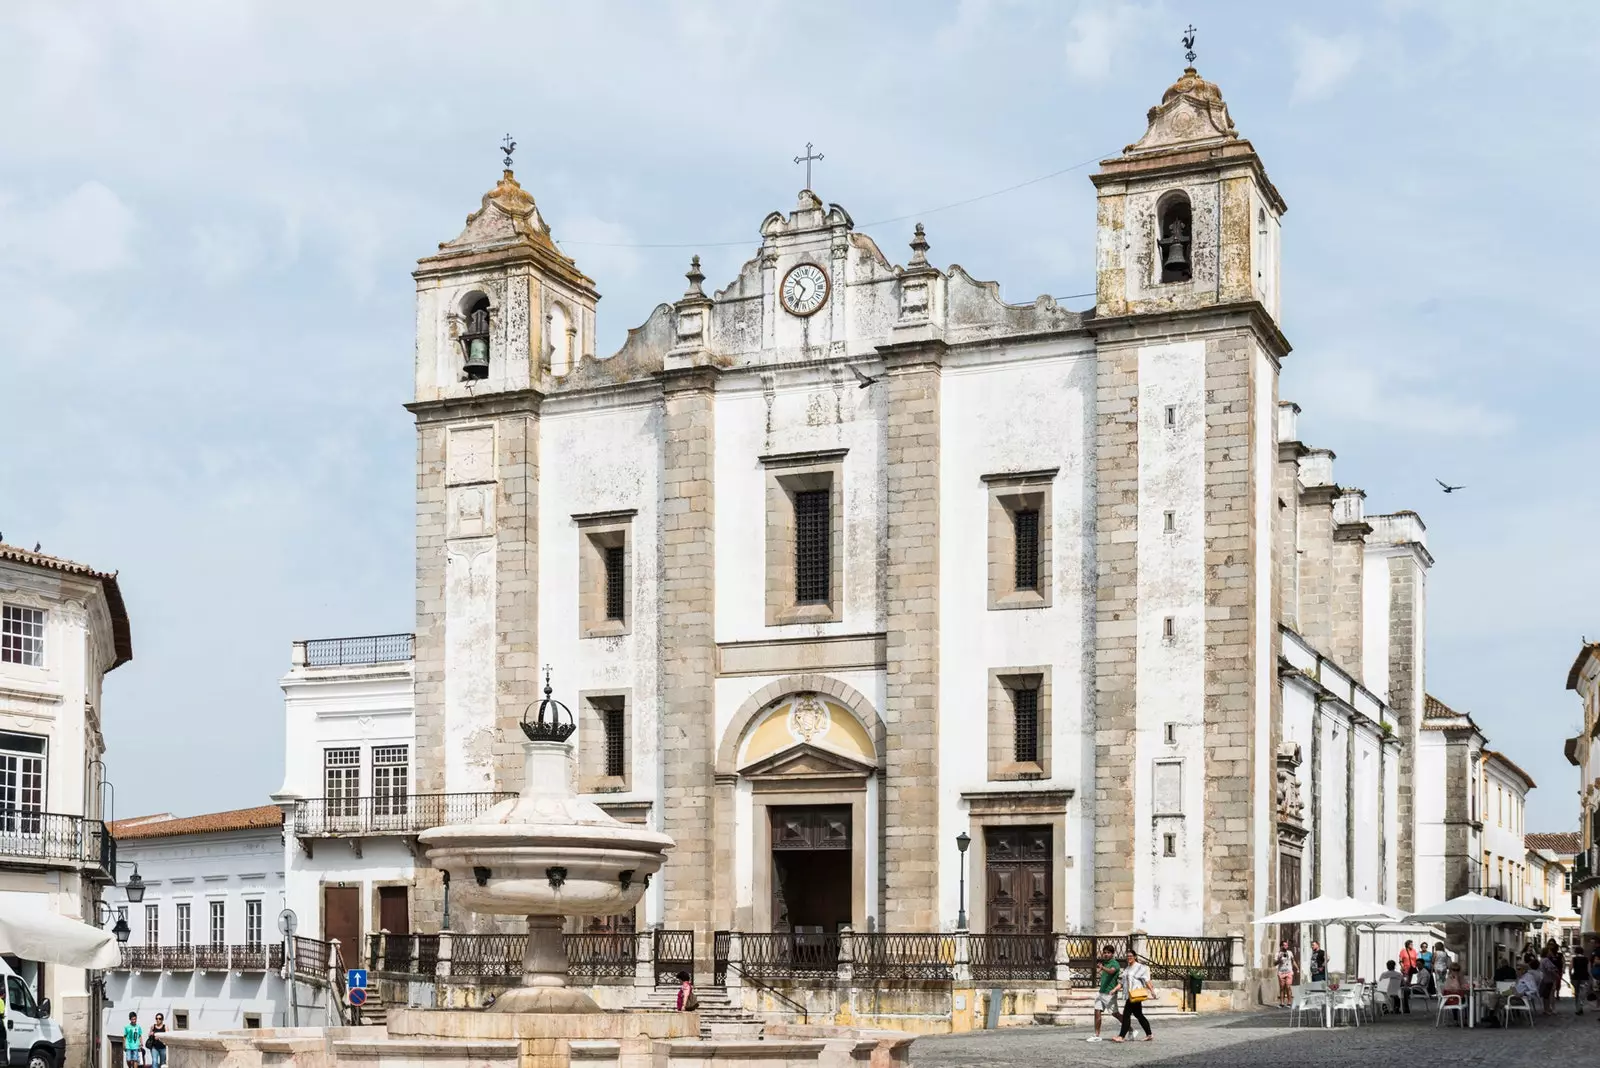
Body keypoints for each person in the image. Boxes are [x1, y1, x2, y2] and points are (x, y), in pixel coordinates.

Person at [1111, 950, 1154, 1043]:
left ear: (1135, 956)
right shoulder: (1127, 969)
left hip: (1135, 994)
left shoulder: (1140, 967)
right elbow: (1122, 983)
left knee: (1126, 1015)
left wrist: (1152, 991)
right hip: (1129, 995)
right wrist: (1114, 989)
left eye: (1130, 956)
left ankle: (1121, 1036)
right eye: (1127, 956)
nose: (1129, 958)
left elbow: (1146, 980)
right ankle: (1149, 1034)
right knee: (1139, 1015)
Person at [1087, 943, 1122, 1042]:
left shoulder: (1115, 963)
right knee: (1097, 1011)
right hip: (1101, 992)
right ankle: (1096, 1035)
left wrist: (1102, 968)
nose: (1106, 954)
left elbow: (1111, 971)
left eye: (1108, 953)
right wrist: (1101, 968)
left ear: (1112, 954)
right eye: (1105, 952)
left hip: (1109, 993)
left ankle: (1129, 1028)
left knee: (1115, 1014)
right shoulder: (1105, 963)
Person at [1397, 940, 1418, 1013]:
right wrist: (1402, 966)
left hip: (1412, 968)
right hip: (1405, 969)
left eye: (1412, 944)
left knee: (1409, 982)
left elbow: (1416, 959)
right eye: (1411, 944)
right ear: (1407, 945)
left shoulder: (1414, 951)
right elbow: (1400, 960)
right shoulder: (1403, 951)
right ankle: (1405, 995)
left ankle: (1407, 995)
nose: (1412, 945)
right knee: (1406, 982)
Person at [1274, 941, 1297, 1007]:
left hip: (1289, 972)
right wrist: (1279, 959)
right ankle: (1282, 1003)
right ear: (1281, 946)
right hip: (1281, 973)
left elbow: (1293, 961)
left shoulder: (1290, 952)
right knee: (1282, 988)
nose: (1286, 947)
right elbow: (1274, 963)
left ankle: (1289, 1002)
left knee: (1288, 986)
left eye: (1286, 945)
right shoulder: (1277, 953)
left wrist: (1297, 968)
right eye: (1284, 945)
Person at [1538, 948, 1561, 1015]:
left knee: (1545, 995)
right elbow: (1549, 969)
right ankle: (1547, 1009)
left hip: (1545, 979)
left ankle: (1546, 1009)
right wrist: (1556, 975)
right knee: (1547, 995)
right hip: (1548, 979)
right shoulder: (1546, 960)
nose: (1550, 952)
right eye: (1549, 951)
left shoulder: (1542, 960)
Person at [1571, 945, 1591, 1017]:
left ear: (1576, 952)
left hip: (1576, 977)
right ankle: (1581, 1007)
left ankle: (1577, 1008)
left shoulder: (1574, 959)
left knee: (1577, 993)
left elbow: (1571, 968)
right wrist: (1590, 977)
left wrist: (1571, 976)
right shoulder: (1586, 959)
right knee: (1582, 993)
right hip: (1584, 977)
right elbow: (1589, 970)